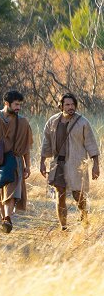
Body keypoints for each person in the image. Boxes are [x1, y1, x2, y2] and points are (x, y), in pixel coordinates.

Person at [40, 93, 100, 229]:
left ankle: (83, 213)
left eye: (73, 104)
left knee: (77, 194)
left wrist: (96, 165)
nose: (70, 107)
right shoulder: (52, 122)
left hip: (76, 163)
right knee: (59, 195)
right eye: (67, 104)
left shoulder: (83, 122)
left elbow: (91, 144)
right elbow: (46, 143)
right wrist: (42, 162)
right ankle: (64, 226)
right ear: (61, 106)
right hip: (58, 163)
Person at [0, 90, 33, 233]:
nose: (18, 107)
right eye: (16, 104)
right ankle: (2, 219)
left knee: (12, 191)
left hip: (14, 160)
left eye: (20, 105)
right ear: (6, 103)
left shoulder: (23, 122)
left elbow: (26, 147)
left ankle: (7, 218)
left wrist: (27, 166)